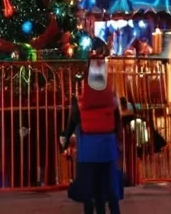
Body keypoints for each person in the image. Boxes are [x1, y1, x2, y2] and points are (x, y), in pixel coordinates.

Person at [61, 43, 123, 214]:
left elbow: (73, 122)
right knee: (109, 189)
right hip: (107, 148)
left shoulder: (83, 103)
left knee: (91, 191)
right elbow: (118, 123)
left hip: (88, 150)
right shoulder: (111, 99)